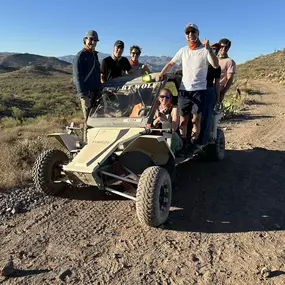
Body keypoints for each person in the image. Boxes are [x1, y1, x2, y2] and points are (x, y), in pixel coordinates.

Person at [156, 23, 219, 155]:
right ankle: (184, 144)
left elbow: (215, 64)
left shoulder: (204, 50)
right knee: (183, 120)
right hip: (184, 90)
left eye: (193, 31)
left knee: (196, 119)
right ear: (185, 35)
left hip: (199, 90)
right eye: (188, 32)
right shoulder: (183, 50)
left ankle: (194, 144)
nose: (190, 34)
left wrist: (210, 50)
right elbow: (171, 63)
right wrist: (161, 74)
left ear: (198, 33)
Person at [197, 43, 221, 146]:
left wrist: (218, 98)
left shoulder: (216, 67)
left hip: (208, 89)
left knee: (206, 117)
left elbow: (217, 84)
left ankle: (203, 141)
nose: (213, 51)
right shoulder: (198, 63)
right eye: (211, 48)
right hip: (195, 89)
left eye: (215, 49)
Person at [73, 30, 101, 120]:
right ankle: (86, 134)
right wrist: (83, 96)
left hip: (97, 93)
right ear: (85, 39)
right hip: (87, 94)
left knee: (98, 119)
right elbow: (77, 78)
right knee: (88, 120)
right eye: (91, 39)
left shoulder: (94, 55)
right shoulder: (80, 56)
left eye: (95, 40)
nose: (93, 42)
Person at [153, 88, 183, 154]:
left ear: (170, 98)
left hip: (172, 138)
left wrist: (163, 120)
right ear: (158, 97)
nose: (164, 99)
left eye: (167, 97)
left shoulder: (174, 108)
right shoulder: (154, 108)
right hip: (159, 136)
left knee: (170, 133)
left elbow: (173, 128)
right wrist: (157, 119)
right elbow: (151, 124)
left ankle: (169, 158)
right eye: (162, 96)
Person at [218, 38, 236, 102]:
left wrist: (223, 93)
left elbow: (230, 79)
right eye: (222, 46)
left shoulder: (230, 62)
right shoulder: (213, 59)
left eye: (226, 47)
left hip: (218, 90)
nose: (224, 49)